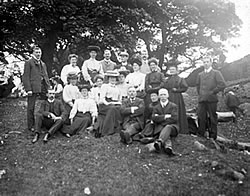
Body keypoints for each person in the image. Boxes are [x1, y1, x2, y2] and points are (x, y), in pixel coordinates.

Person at [196, 56, 226, 140]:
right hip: (202, 99)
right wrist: (201, 94)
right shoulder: (200, 74)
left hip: (212, 99)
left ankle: (213, 136)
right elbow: (198, 86)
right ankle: (201, 134)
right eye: (204, 62)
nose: (205, 64)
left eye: (207, 62)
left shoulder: (216, 73)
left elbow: (222, 84)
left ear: (211, 63)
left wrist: (213, 92)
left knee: (212, 117)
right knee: (201, 117)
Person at [22, 46, 50, 132]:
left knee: (46, 105)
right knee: (31, 107)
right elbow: (25, 76)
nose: (38, 54)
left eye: (39, 52)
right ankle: (31, 125)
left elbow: (46, 76)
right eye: (36, 52)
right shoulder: (29, 62)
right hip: (33, 88)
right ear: (33, 53)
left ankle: (44, 123)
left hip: (43, 87)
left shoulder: (43, 63)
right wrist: (28, 89)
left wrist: (48, 87)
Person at [94, 70, 122, 137]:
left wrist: (117, 103)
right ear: (108, 78)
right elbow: (102, 98)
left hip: (115, 104)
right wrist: (108, 103)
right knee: (112, 109)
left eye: (114, 78)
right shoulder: (105, 86)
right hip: (104, 105)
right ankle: (106, 131)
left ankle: (117, 128)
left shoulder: (118, 88)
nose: (113, 79)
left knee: (118, 109)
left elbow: (119, 100)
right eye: (111, 77)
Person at [152, 88, 179, 156]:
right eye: (161, 95)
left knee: (167, 127)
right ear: (158, 96)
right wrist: (165, 117)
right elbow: (154, 118)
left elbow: (174, 118)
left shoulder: (173, 106)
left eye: (164, 94)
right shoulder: (156, 107)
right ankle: (168, 147)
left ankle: (160, 142)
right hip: (160, 128)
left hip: (172, 127)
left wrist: (160, 118)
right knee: (166, 133)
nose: (163, 96)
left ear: (168, 95)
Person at [163, 63, 189, 134]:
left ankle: (180, 129)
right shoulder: (167, 79)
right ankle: (169, 129)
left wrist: (177, 90)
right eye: (170, 69)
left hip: (177, 97)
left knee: (177, 111)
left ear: (177, 70)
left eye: (173, 69)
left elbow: (185, 87)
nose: (172, 71)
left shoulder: (180, 79)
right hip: (169, 96)